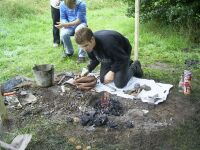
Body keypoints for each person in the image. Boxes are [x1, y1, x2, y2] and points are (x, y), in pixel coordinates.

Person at [74, 27, 143, 88]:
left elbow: (122, 58)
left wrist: (112, 71)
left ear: (92, 39)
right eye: (81, 47)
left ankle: (135, 66)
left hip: (122, 55)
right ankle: (126, 65)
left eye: (86, 46)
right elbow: (95, 59)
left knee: (120, 84)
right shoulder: (88, 46)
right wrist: (88, 69)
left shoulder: (108, 43)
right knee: (103, 80)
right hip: (107, 56)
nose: (84, 49)